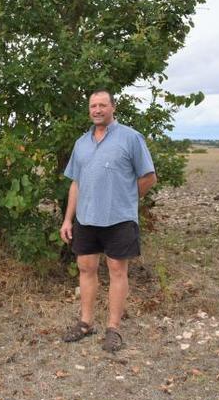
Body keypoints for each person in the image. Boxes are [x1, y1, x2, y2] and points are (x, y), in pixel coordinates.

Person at [59, 89, 157, 352]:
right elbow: (76, 184)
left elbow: (149, 177)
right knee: (86, 268)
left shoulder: (130, 138)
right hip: (86, 219)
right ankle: (86, 323)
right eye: (93, 106)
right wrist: (68, 220)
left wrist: (125, 198)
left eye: (103, 105)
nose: (97, 110)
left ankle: (113, 329)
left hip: (119, 219)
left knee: (117, 271)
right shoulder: (81, 143)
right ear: (89, 110)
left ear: (113, 108)